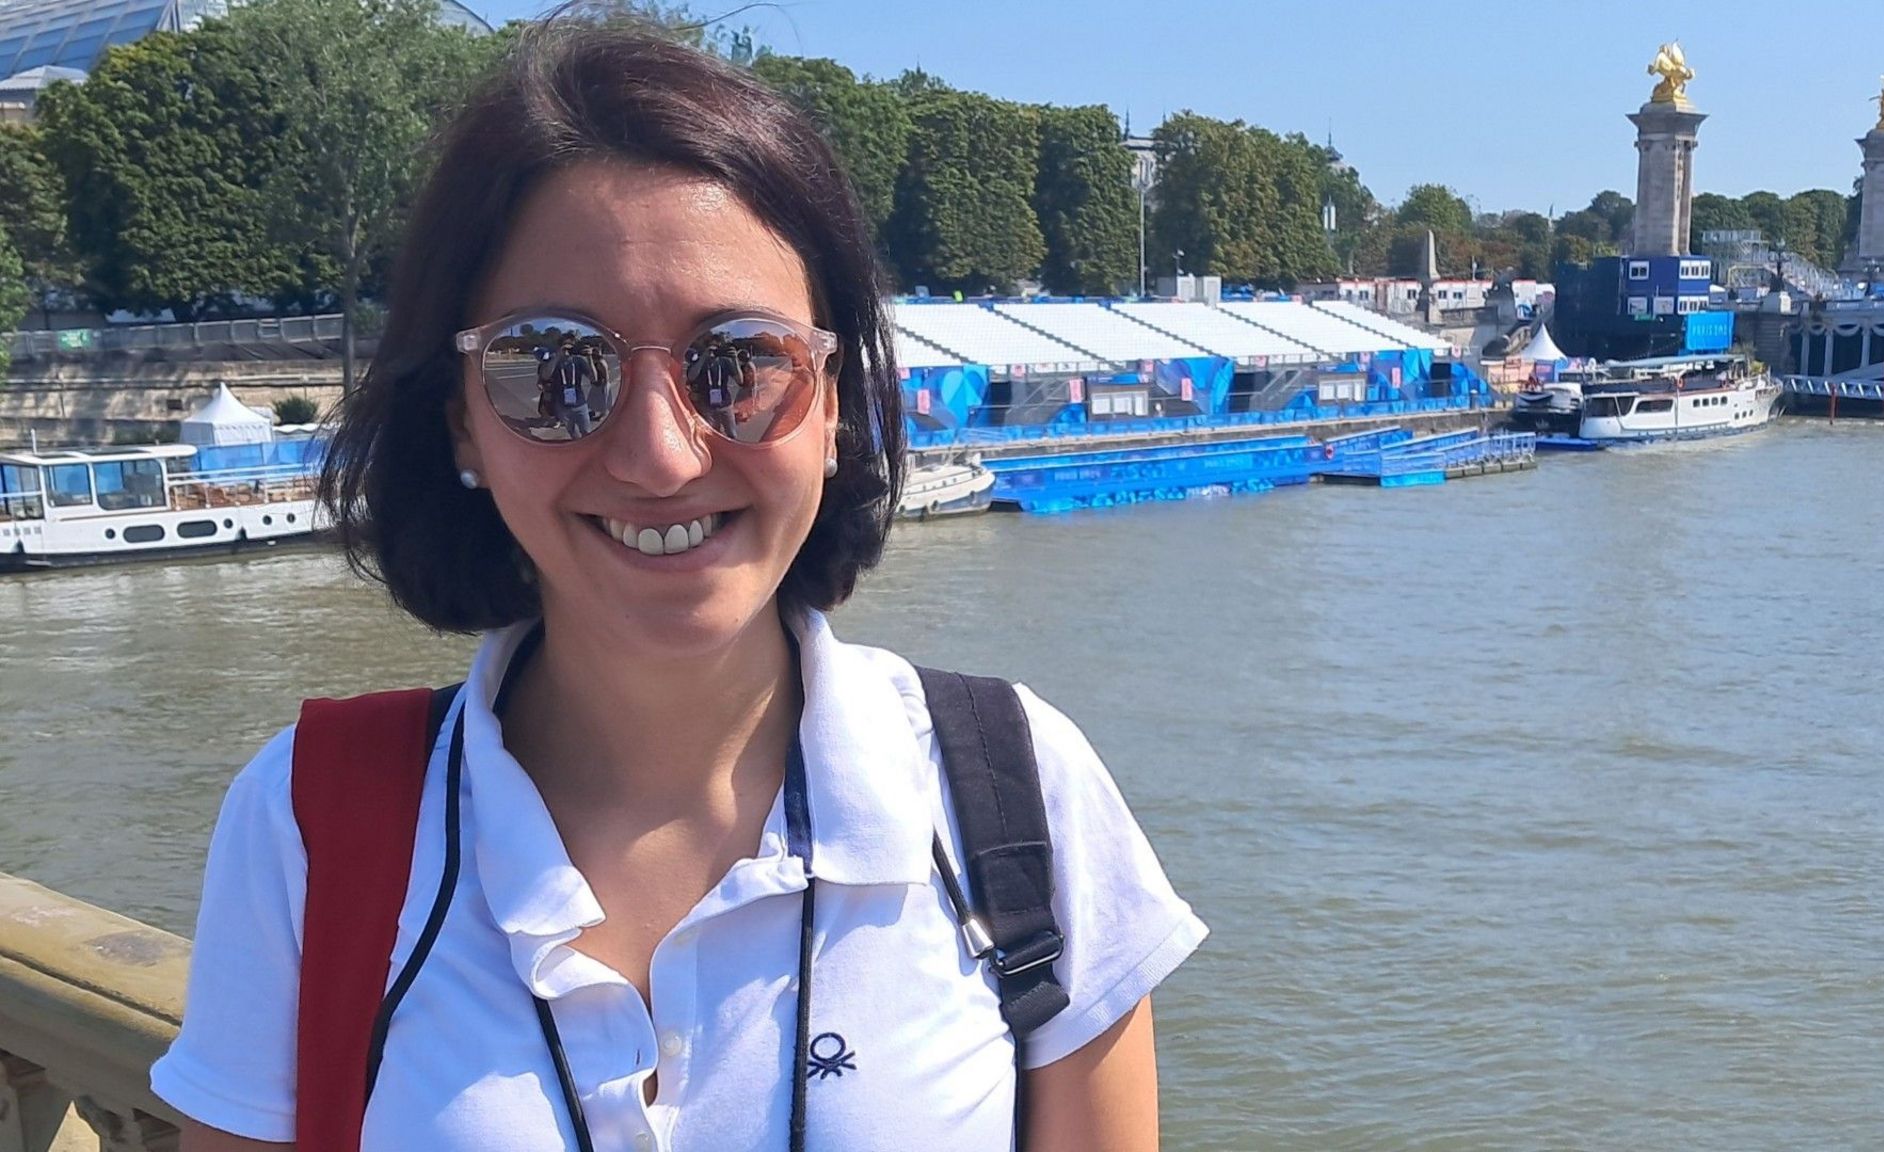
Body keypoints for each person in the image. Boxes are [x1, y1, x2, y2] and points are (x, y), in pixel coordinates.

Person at [152, 16, 1203, 1152]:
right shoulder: (308, 824)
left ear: (834, 403)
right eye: (556, 368)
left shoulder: (1018, 797)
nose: (659, 454)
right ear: (459, 418)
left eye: (738, 363)